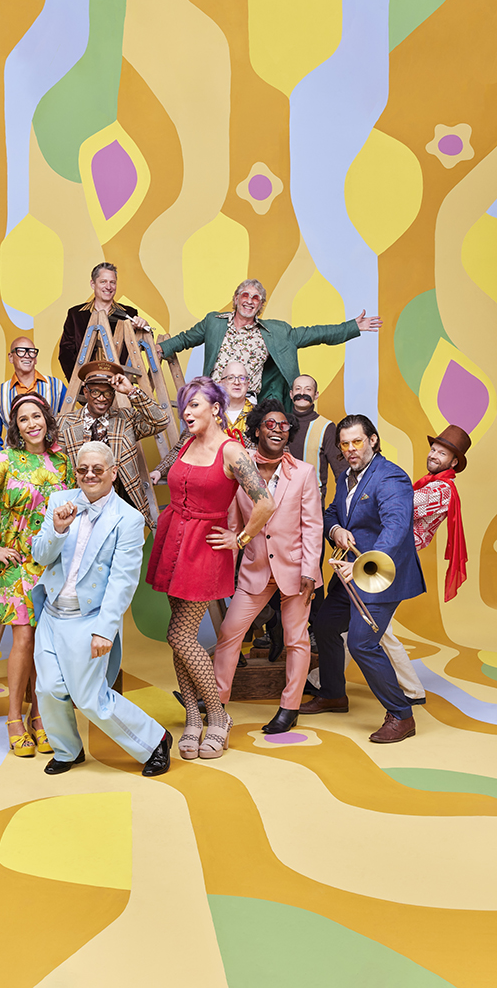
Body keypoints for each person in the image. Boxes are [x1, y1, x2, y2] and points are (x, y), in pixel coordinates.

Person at [147, 377, 275, 760]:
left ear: (216, 408)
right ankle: (192, 717)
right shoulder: (186, 443)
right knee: (180, 634)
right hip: (173, 539)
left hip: (204, 547)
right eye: (184, 405)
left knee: (179, 635)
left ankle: (218, 716)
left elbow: (265, 503)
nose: (186, 412)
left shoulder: (232, 451)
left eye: (195, 405)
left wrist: (240, 539)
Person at [31, 442, 172, 777]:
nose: (90, 475)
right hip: (52, 613)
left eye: (97, 469)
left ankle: (155, 741)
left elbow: (122, 581)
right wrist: (58, 530)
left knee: (90, 697)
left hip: (90, 618)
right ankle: (67, 750)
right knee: (47, 689)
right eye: (83, 469)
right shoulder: (59, 501)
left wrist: (104, 630)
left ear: (113, 472)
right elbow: (40, 555)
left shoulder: (128, 519)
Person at [0, 394, 73, 756]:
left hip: (50, 564)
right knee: (24, 638)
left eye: (36, 416)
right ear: (16, 428)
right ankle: (14, 719)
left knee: (45, 642)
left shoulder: (62, 463)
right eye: (23, 419)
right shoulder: (4, 460)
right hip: (15, 564)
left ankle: (40, 716)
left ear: (46, 420)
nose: (31, 424)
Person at [299, 415, 426, 743]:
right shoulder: (345, 478)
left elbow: (395, 528)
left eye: (357, 441)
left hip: (378, 576)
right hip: (349, 576)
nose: (351, 449)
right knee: (325, 625)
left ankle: (401, 715)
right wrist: (335, 530)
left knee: (361, 643)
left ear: (373, 440)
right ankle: (333, 694)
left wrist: (360, 566)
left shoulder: (391, 477)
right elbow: (332, 512)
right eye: (344, 444)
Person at [211, 400, 323, 733]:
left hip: (296, 571)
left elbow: (312, 526)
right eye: (270, 424)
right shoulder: (240, 468)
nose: (277, 430)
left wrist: (310, 571)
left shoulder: (303, 472)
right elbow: (234, 524)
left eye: (284, 425)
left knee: (296, 640)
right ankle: (215, 701)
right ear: (257, 429)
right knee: (229, 632)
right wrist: (224, 573)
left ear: (290, 432)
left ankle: (290, 707)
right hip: (255, 569)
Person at [156, 279, 382, 410]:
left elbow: (316, 333)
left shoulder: (277, 332)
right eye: (245, 295)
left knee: (242, 458)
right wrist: (161, 348)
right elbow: (186, 338)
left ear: (261, 305)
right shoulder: (214, 322)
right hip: (213, 398)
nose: (249, 301)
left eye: (256, 298)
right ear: (236, 298)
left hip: (247, 403)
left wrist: (353, 327)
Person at [57, 359, 169, 527]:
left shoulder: (126, 419)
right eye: (96, 392)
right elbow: (58, 468)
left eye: (108, 393)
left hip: (120, 505)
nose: (102, 398)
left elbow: (161, 421)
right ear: (86, 392)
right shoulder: (65, 423)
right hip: (79, 507)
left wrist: (131, 391)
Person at [149, 361, 253, 484]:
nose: (237, 382)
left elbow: (270, 451)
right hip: (210, 482)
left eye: (242, 378)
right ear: (221, 383)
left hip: (247, 483)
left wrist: (258, 455)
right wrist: (159, 470)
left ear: (248, 383)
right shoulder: (204, 412)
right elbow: (182, 448)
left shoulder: (262, 415)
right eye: (231, 378)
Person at [58, 262, 149, 381]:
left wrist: (144, 328)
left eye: (112, 282)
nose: (108, 287)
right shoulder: (76, 314)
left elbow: (144, 345)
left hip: (120, 383)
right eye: (103, 282)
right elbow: (66, 353)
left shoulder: (129, 314)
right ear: (93, 284)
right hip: (86, 383)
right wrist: (78, 382)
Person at [0, 336, 66, 458]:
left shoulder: (56, 386)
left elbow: (69, 420)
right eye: (21, 351)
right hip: (16, 463)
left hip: (51, 459)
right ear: (11, 357)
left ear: (35, 359)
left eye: (31, 352)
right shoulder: (0, 393)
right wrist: (0, 457)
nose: (27, 356)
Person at [413, 424, 470, 600]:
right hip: (391, 549)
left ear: (454, 462)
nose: (433, 455)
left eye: (442, 453)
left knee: (374, 610)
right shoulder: (431, 482)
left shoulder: (442, 490)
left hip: (396, 554)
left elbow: (400, 507)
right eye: (433, 450)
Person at [289, 375, 346, 508]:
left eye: (308, 389)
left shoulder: (327, 427)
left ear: (316, 395)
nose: (302, 393)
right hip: (281, 503)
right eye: (298, 389)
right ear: (291, 394)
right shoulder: (280, 424)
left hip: (312, 504)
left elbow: (341, 471)